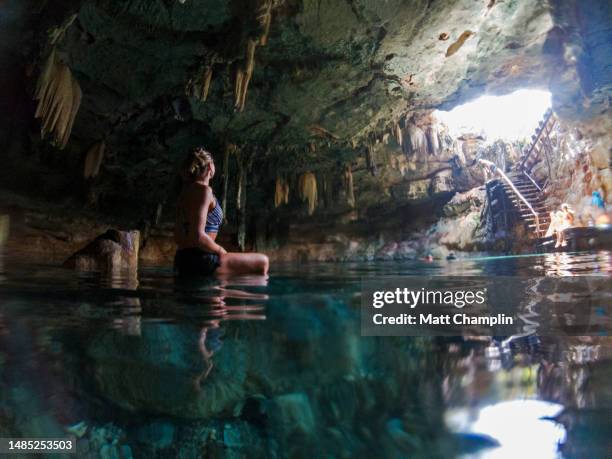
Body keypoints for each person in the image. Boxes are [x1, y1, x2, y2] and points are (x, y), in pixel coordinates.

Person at [174, 147, 269, 276]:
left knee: (233, 290)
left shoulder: (183, 194)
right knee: (263, 261)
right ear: (209, 167)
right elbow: (197, 236)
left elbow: (178, 236)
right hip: (202, 259)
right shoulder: (204, 191)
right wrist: (220, 250)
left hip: (182, 259)